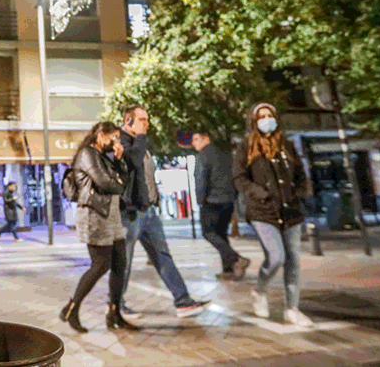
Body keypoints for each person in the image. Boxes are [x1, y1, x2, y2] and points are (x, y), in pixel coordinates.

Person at [118, 105, 210, 318]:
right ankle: (115, 305)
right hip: (130, 212)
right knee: (124, 260)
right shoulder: (122, 142)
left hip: (149, 211)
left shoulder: (141, 143)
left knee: (162, 256)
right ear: (127, 122)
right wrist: (140, 137)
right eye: (141, 119)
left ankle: (183, 301)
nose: (146, 124)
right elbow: (131, 162)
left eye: (146, 119)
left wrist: (155, 199)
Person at [232, 103, 313, 326]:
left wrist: (298, 193)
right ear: (254, 121)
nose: (267, 119)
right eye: (262, 116)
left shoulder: (287, 145)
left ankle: (292, 308)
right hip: (263, 211)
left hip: (291, 210)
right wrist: (259, 193)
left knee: (293, 259)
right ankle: (259, 291)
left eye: (270, 115)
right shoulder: (246, 147)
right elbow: (240, 178)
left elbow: (300, 174)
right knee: (276, 257)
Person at [59, 122, 138, 332]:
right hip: (94, 214)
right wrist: (118, 181)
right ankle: (71, 308)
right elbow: (108, 183)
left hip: (111, 213)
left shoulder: (104, 156)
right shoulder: (87, 153)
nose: (116, 142)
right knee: (100, 264)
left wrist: (120, 160)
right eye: (113, 138)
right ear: (101, 136)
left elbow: (122, 182)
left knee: (120, 263)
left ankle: (114, 314)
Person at [192, 131, 251, 280]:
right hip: (228, 201)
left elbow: (201, 178)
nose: (194, 143)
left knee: (208, 232)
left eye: (197, 139)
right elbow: (236, 176)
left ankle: (236, 259)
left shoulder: (202, 156)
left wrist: (200, 200)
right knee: (222, 234)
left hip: (211, 202)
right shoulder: (226, 155)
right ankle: (229, 269)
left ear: (207, 139)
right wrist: (234, 197)